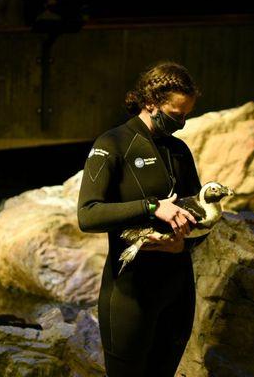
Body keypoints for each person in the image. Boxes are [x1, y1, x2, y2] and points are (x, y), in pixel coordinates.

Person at [77, 61, 207, 376]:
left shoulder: (179, 151)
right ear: (150, 102)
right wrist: (151, 207)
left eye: (186, 114)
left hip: (177, 291)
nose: (182, 122)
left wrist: (182, 246)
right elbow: (88, 214)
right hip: (131, 294)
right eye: (177, 114)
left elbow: (201, 216)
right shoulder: (113, 144)